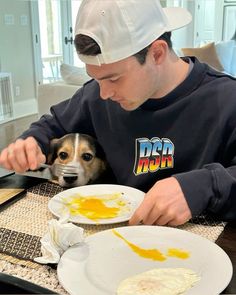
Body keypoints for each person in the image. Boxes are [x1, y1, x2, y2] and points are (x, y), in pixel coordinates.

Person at [1, 0, 236, 226]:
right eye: (96, 79)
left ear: (157, 53)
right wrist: (31, 142)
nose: (103, 94)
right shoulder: (95, 96)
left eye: (114, 78)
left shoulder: (226, 100)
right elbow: (51, 126)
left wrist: (202, 187)